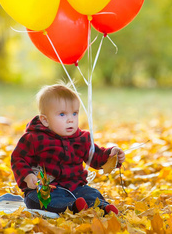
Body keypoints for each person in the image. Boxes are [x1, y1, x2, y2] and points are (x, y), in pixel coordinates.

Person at [11, 83, 125, 215]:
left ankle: (103, 208)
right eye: (62, 114)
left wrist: (111, 155)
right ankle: (71, 207)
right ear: (45, 120)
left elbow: (95, 156)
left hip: (75, 187)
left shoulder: (81, 139)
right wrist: (27, 175)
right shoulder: (34, 138)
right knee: (36, 200)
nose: (70, 119)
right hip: (47, 188)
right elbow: (18, 158)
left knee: (92, 193)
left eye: (75, 113)